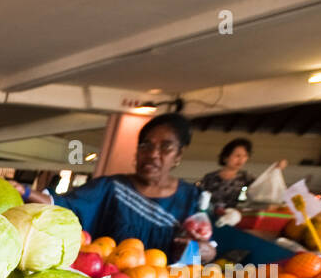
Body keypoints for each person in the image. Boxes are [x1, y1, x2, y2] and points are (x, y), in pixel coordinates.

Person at [31, 112, 214, 262]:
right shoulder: (111, 188)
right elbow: (65, 207)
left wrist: (205, 252)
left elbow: (206, 247)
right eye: (145, 145)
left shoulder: (192, 198)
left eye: (166, 147)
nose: (152, 154)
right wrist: (25, 191)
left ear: (179, 154)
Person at [199, 137, 287, 215]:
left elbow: (261, 188)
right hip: (208, 216)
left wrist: (276, 170)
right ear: (226, 157)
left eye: (245, 156)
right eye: (237, 156)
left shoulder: (246, 177)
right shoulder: (210, 177)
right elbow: (199, 196)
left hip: (231, 219)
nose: (241, 160)